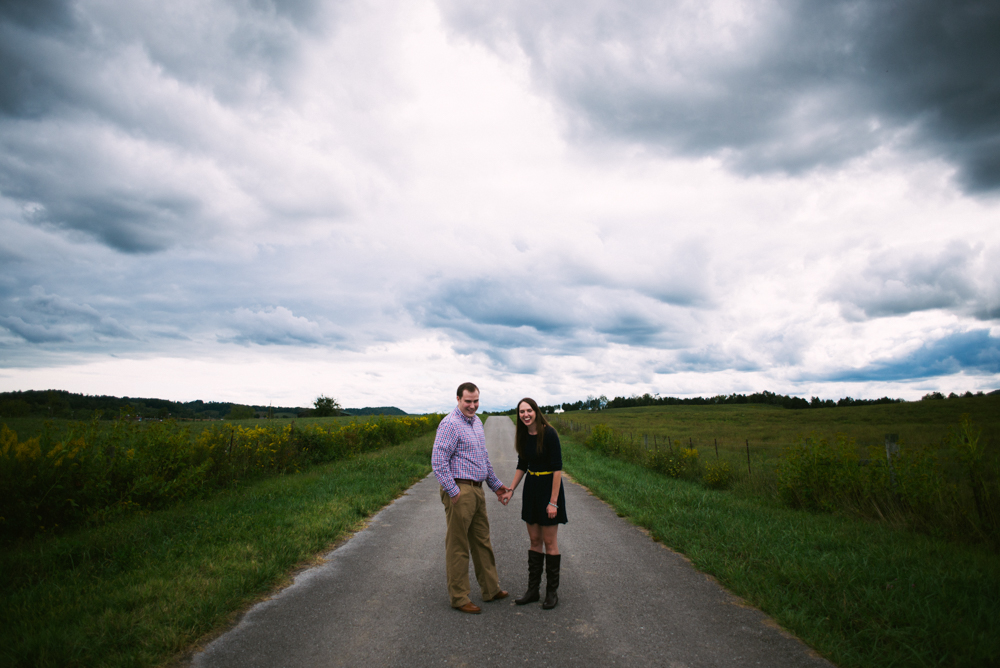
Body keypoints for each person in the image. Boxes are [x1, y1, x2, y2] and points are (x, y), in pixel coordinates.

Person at [431, 382, 511, 614]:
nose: (473, 406)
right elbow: (438, 461)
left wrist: (495, 486)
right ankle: (459, 597)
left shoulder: (476, 423)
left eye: (476, 401)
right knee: (458, 545)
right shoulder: (449, 424)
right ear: (458, 399)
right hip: (459, 489)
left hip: (477, 489)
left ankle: (490, 589)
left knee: (482, 541)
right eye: (468, 401)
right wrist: (452, 490)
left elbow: (483, 459)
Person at [501, 397, 567, 609]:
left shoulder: (549, 433)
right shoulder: (522, 435)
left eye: (529, 410)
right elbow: (522, 465)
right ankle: (532, 590)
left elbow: (557, 468)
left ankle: (551, 593)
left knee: (550, 542)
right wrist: (511, 489)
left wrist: (553, 502)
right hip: (531, 489)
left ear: (536, 411)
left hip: (549, 489)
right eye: (522, 412)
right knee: (534, 540)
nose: (525, 415)